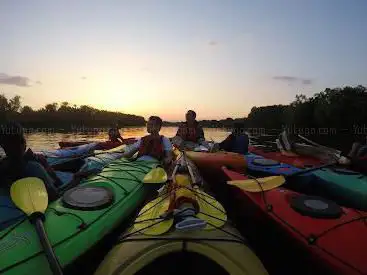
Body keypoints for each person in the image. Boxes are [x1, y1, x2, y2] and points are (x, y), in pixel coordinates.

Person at [0, 122, 84, 200]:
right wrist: (77, 180)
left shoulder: (2, 165)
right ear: (23, 142)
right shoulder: (34, 168)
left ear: (2, 145)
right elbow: (56, 196)